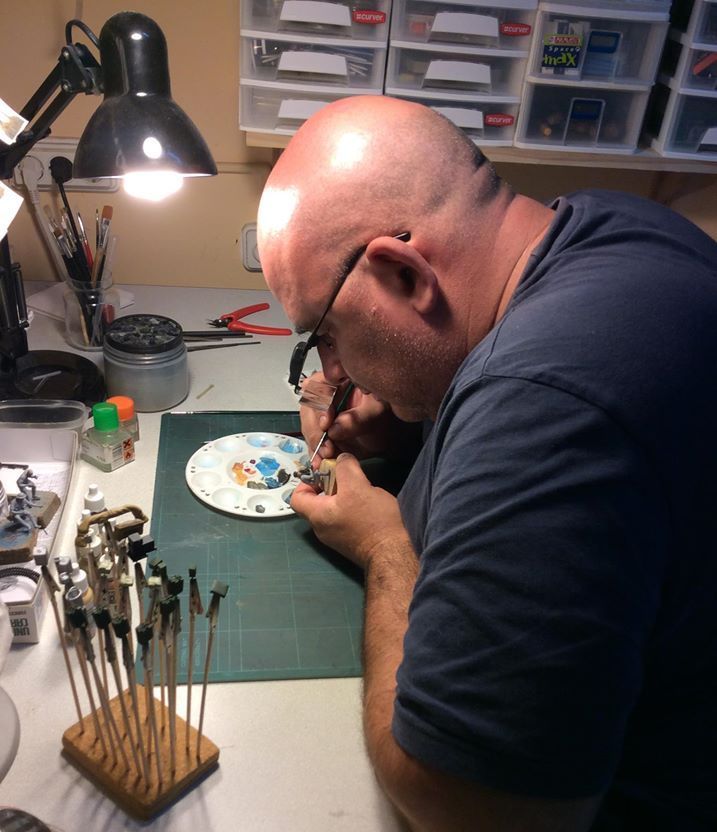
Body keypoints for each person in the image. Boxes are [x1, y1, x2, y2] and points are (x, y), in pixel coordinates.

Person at [256, 95, 717, 831]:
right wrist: (417, 423)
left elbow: (467, 807)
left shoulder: (545, 407)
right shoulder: (609, 225)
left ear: (404, 274)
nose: (334, 372)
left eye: (326, 336)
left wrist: (386, 549)